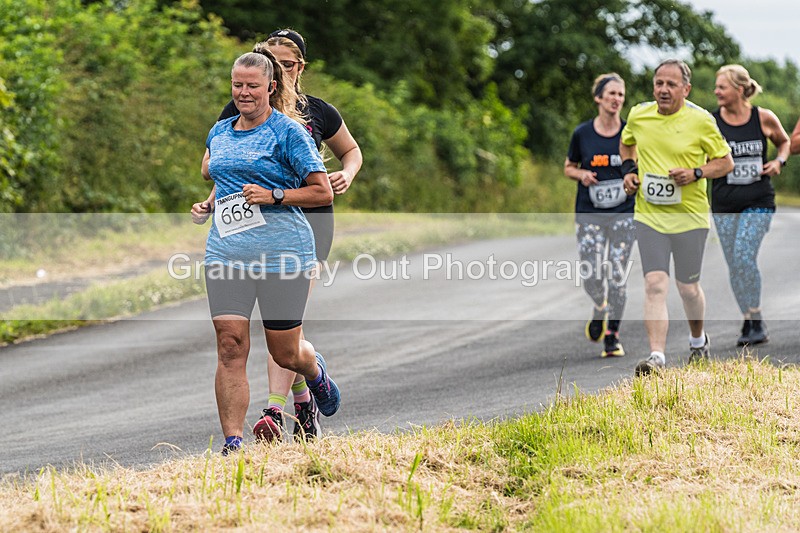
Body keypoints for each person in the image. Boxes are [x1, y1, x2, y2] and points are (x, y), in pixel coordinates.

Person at [194, 29, 361, 444]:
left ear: (274, 84)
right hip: (227, 251)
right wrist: (211, 204)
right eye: (237, 85)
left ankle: (312, 371)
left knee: (285, 349)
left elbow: (321, 188)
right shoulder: (220, 130)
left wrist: (274, 196)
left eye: (252, 85)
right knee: (230, 345)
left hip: (285, 248)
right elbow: (224, 175)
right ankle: (235, 443)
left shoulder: (294, 129)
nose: (243, 92)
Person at [620, 59, 734, 376]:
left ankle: (698, 340)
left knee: (687, 288)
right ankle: (657, 357)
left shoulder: (701, 121)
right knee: (655, 284)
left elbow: (725, 163)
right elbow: (626, 144)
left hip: (690, 217)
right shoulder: (639, 115)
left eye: (671, 84)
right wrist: (628, 172)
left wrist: (696, 172)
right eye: (659, 83)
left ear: (686, 88)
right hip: (649, 215)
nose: (663, 90)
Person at [711, 64, 790, 346]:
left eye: (722, 87)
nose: (716, 91)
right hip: (723, 204)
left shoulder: (763, 117)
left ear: (740, 90)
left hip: (759, 200)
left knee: (743, 256)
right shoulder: (711, 122)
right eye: (717, 87)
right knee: (735, 265)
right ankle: (748, 317)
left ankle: (756, 320)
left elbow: (785, 142)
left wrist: (779, 161)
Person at [564, 73, 636, 358]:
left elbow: (640, 164)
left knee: (617, 273)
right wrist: (581, 173)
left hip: (623, 213)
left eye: (621, 94)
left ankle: (612, 336)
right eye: (611, 94)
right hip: (590, 214)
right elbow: (568, 166)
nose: (617, 99)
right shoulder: (583, 134)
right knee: (592, 273)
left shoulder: (630, 133)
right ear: (598, 98)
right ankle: (599, 306)